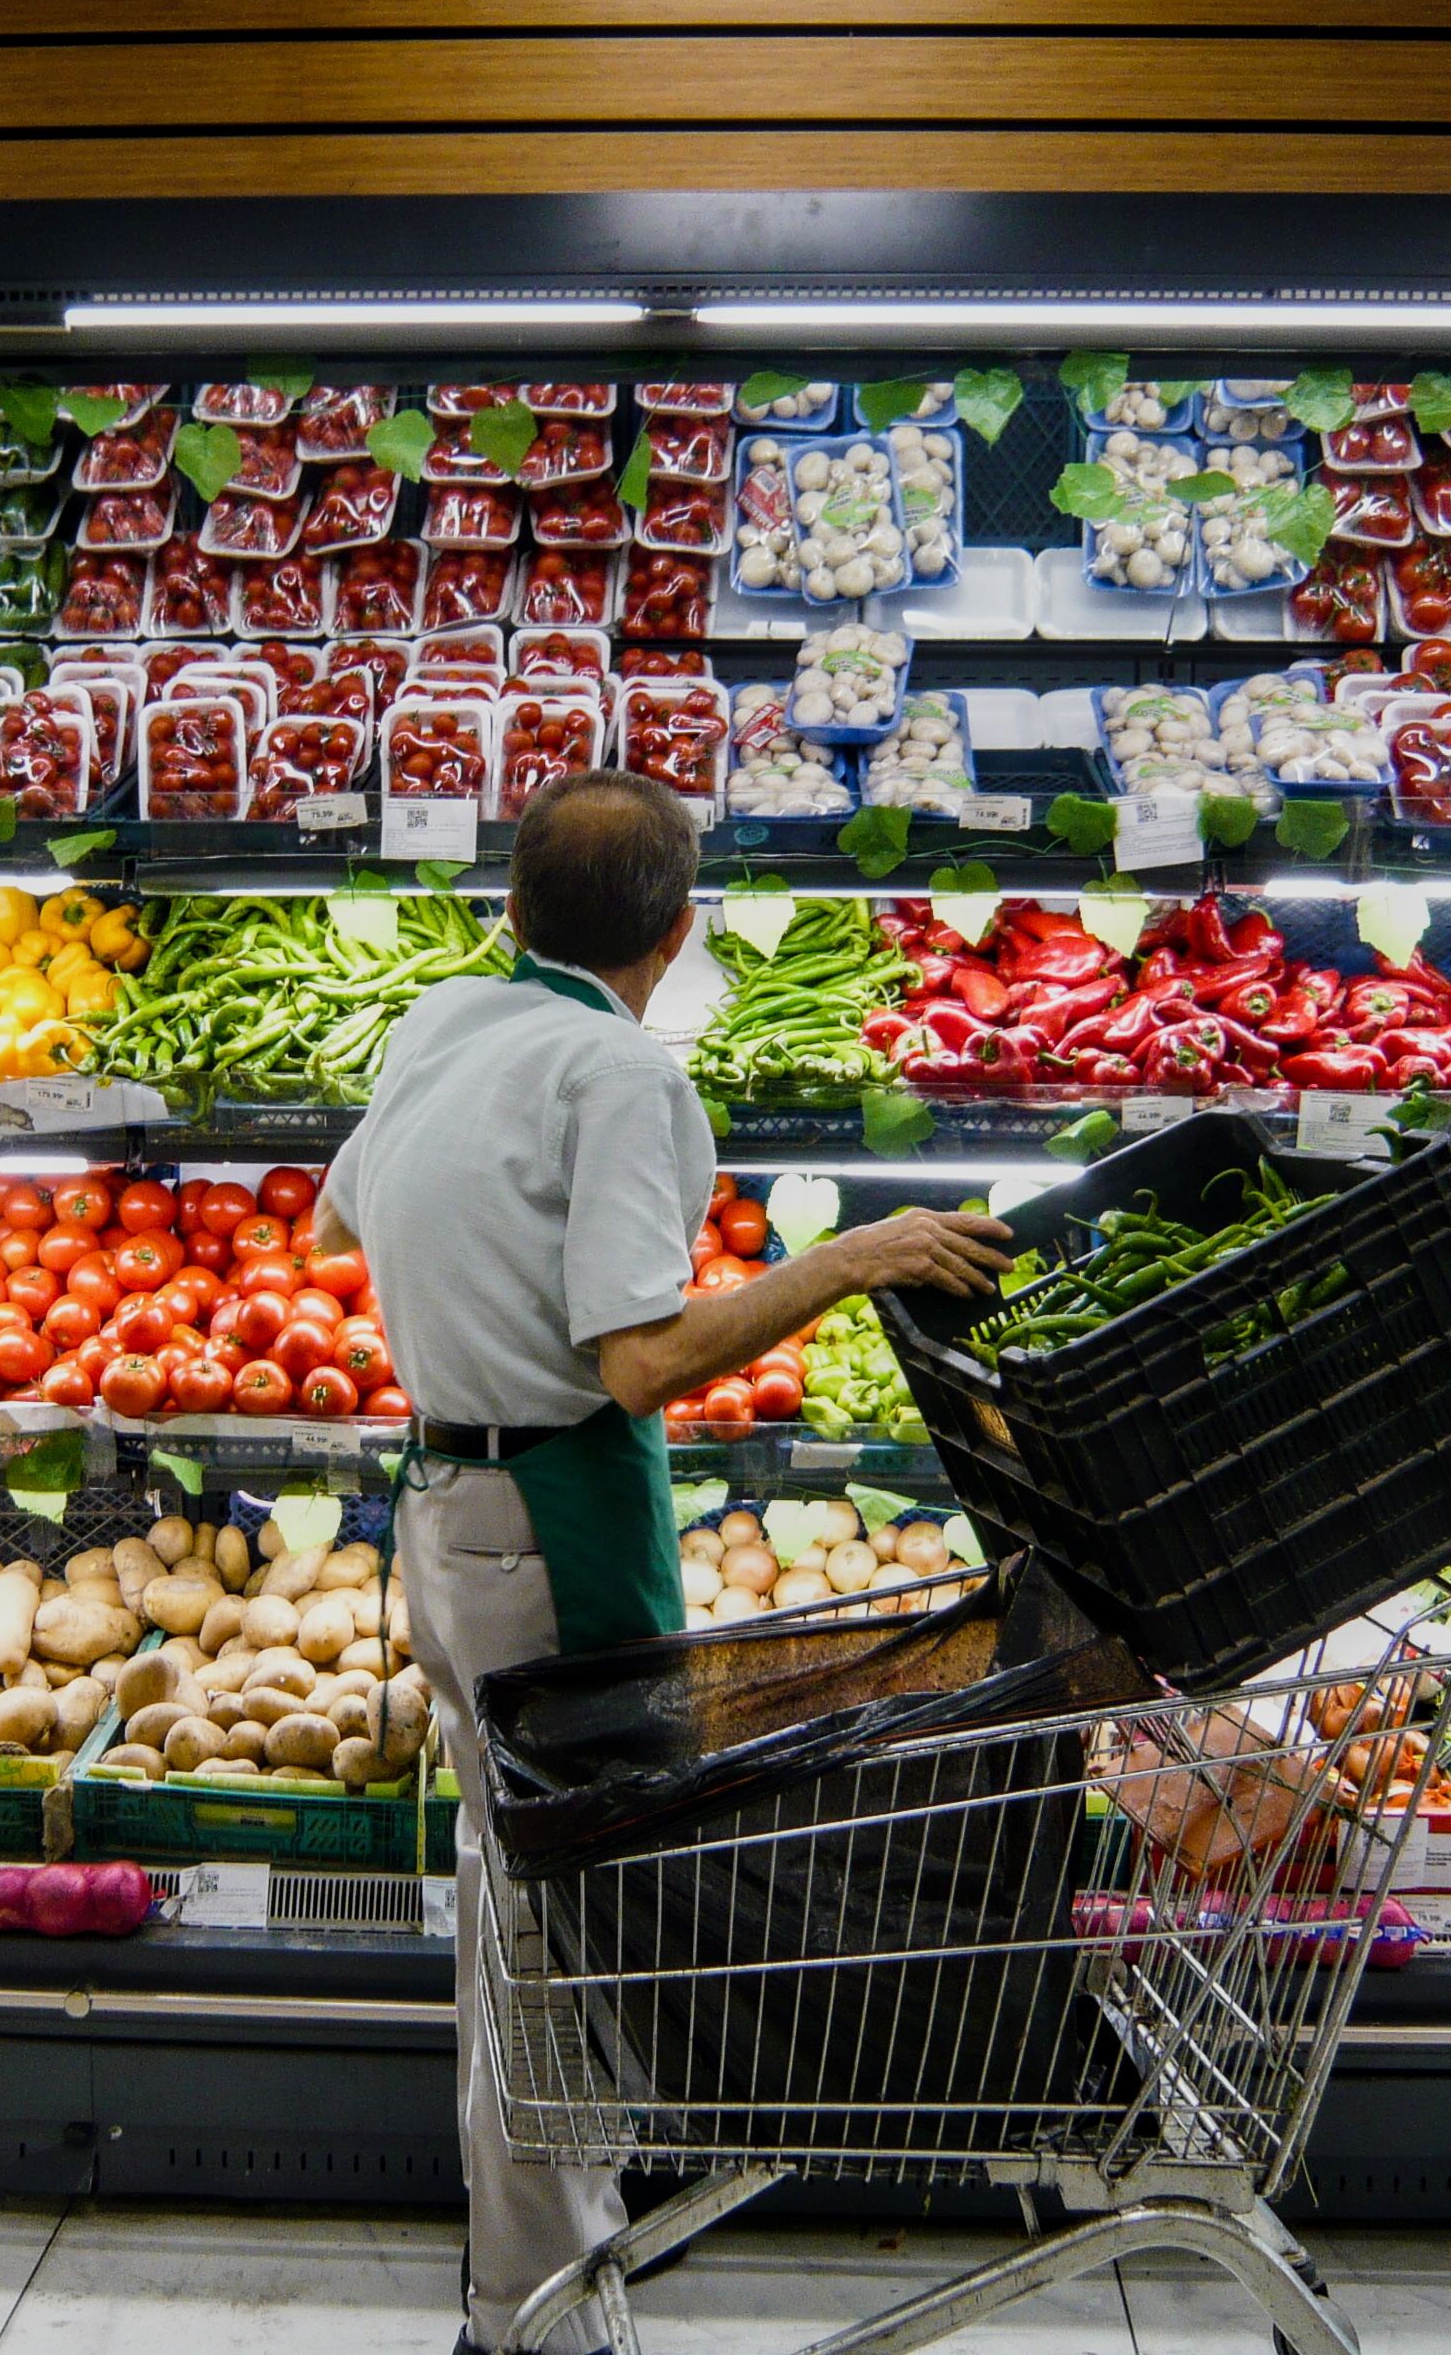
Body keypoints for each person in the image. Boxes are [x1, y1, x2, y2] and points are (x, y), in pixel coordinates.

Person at [315, 768, 1011, 2355]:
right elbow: (635, 1364)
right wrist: (847, 1261)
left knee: (525, 1897)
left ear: (513, 910)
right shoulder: (620, 1075)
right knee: (563, 1922)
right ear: (680, 932)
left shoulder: (445, 1019)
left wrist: (482, 1300)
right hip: (555, 1519)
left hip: (451, 1500)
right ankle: (534, 2311)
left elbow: (344, 1224)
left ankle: (555, 2257)